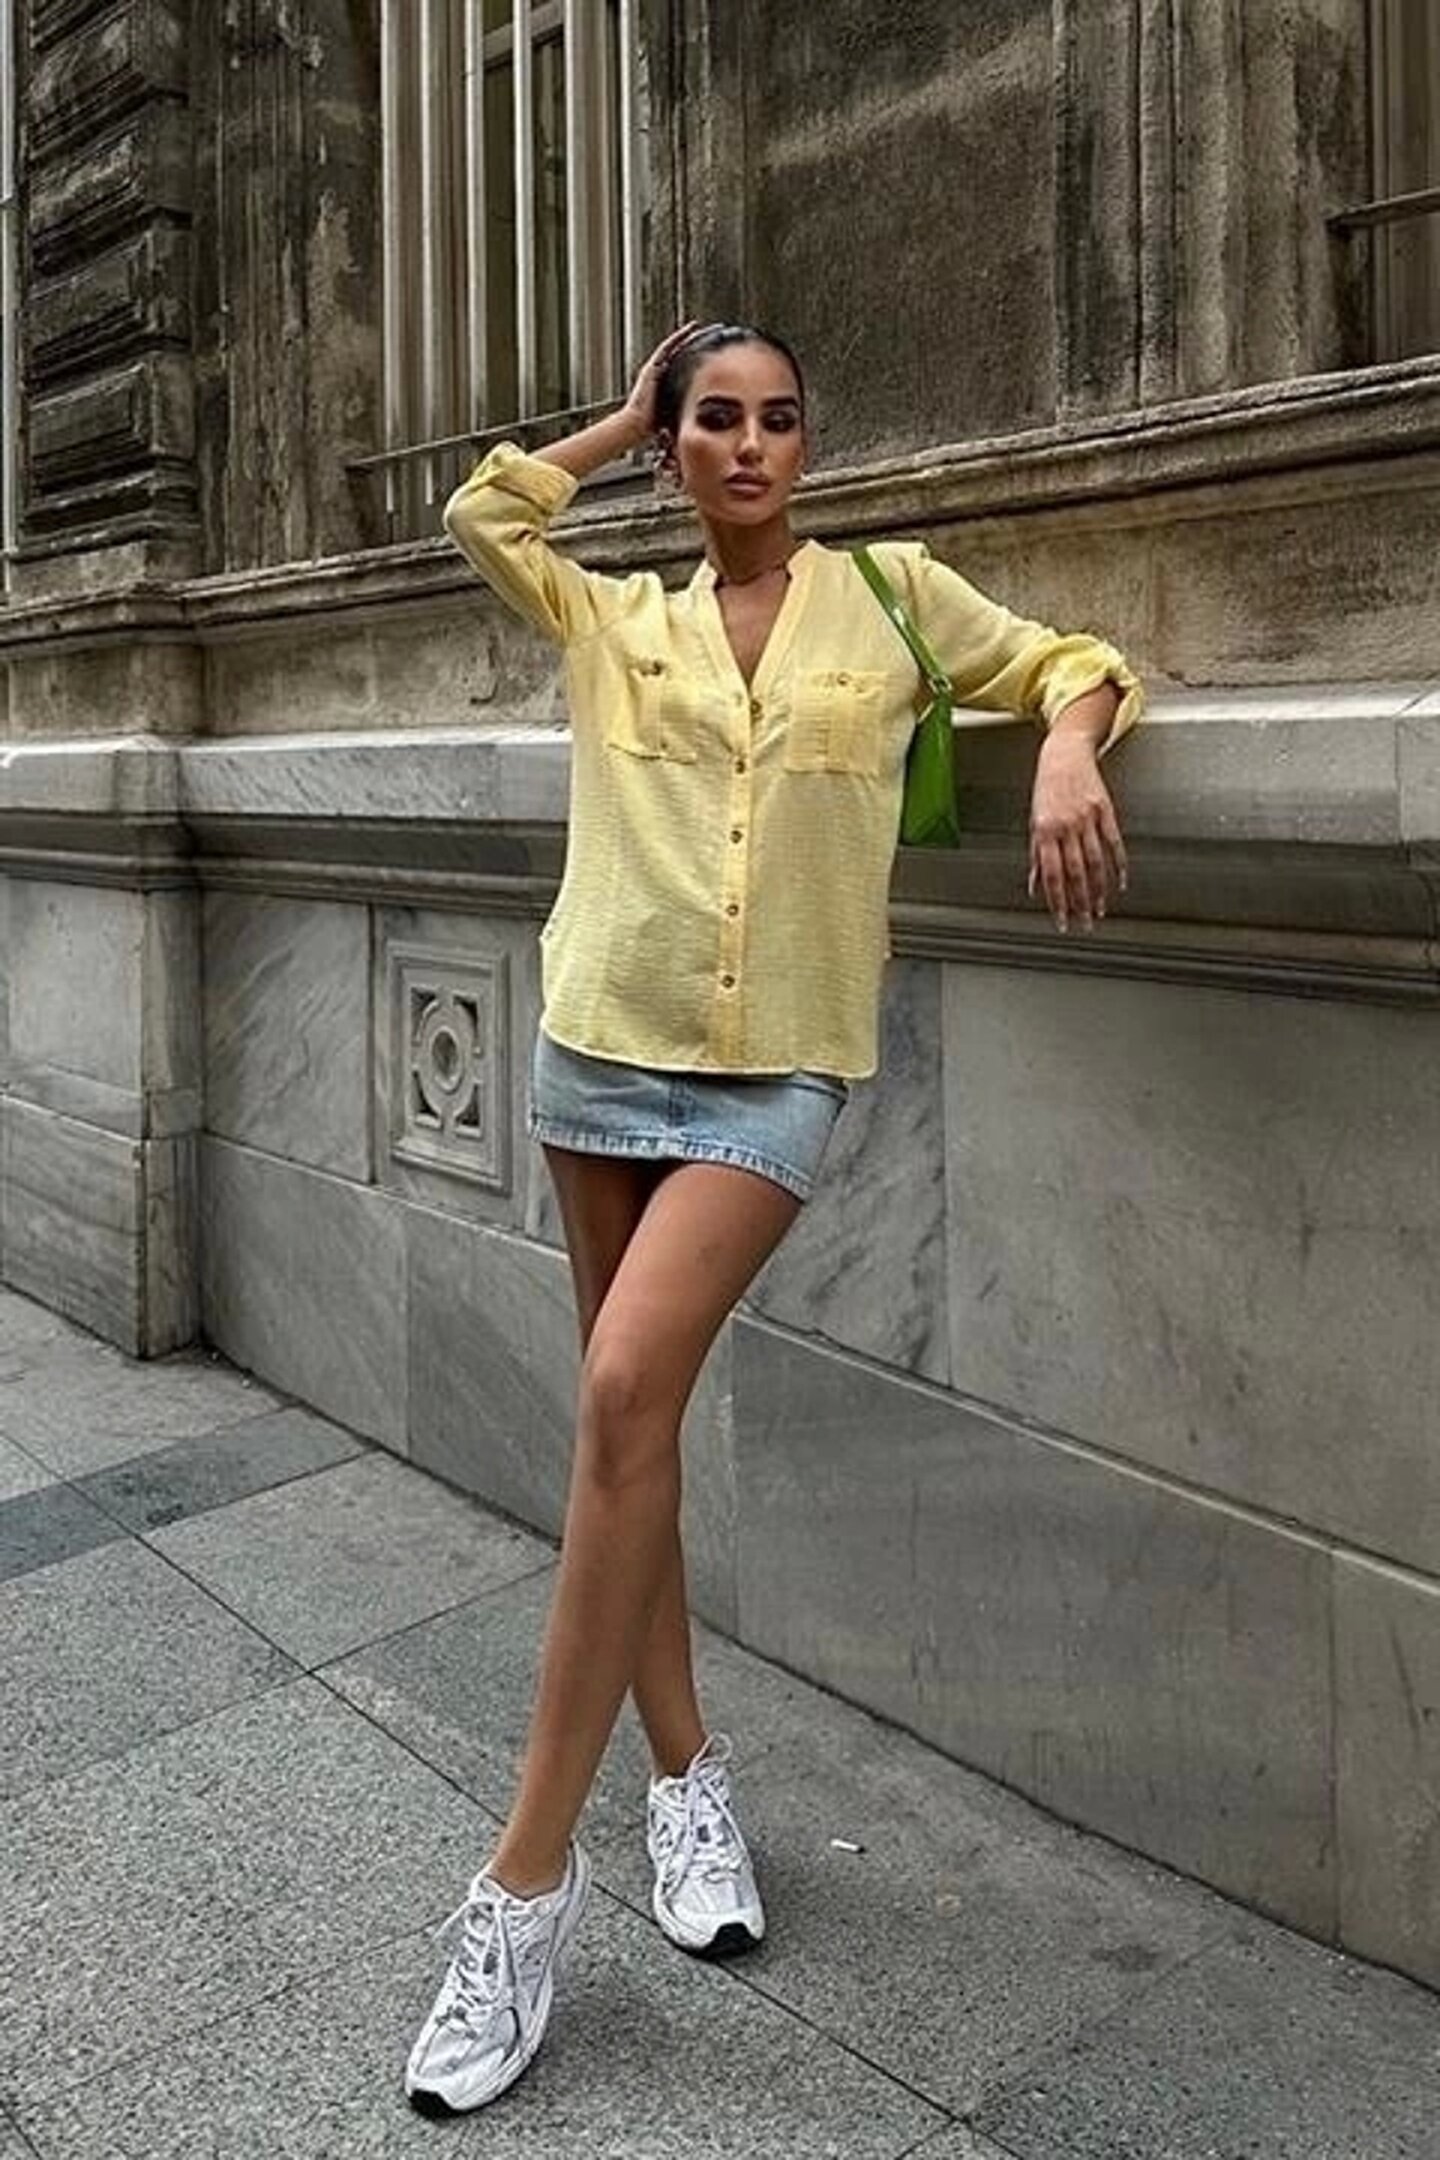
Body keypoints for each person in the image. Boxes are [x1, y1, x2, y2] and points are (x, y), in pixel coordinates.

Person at [403, 321, 1143, 2116]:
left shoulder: (890, 601)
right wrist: (617, 417)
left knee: (619, 1394)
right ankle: (688, 1787)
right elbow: (485, 516)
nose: (748, 445)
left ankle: (520, 1894)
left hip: (774, 1074)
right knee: (629, 1434)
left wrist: (1067, 749)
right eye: (714, 420)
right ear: (679, 449)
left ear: (810, 447)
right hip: (599, 1045)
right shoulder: (615, 619)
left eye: (778, 420)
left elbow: (1076, 659)